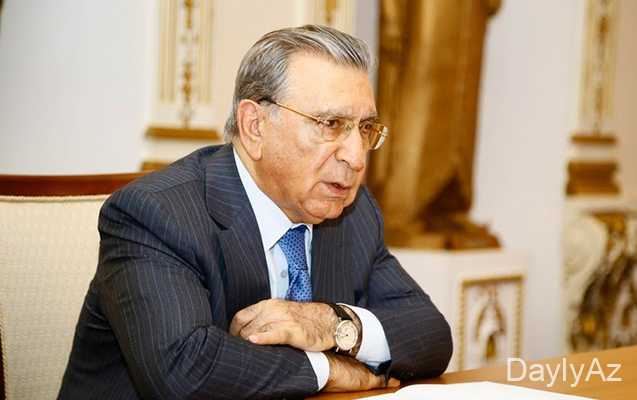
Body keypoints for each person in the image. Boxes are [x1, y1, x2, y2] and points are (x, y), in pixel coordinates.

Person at [58, 25, 452, 399]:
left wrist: (332, 324)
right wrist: (329, 370)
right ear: (255, 126)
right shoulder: (158, 213)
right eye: (331, 124)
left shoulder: (352, 212)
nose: (356, 157)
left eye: (365, 129)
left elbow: (431, 335)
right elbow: (184, 368)